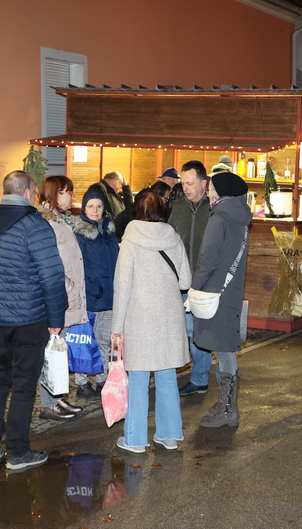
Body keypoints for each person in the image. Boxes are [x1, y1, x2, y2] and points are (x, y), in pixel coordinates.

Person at [0, 171, 66, 470]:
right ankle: (18, 452)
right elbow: (52, 276)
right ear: (27, 193)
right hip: (31, 317)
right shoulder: (35, 225)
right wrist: (56, 318)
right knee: (24, 384)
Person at [111, 192, 192, 453]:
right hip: (169, 318)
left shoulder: (130, 240)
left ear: (137, 211)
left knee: (138, 379)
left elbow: (122, 287)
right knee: (167, 376)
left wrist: (116, 327)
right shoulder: (173, 238)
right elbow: (185, 281)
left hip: (139, 318)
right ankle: (169, 435)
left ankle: (135, 440)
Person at [191, 172, 252, 427]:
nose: (208, 191)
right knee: (224, 348)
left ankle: (228, 410)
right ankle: (225, 404)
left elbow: (208, 258)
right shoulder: (238, 216)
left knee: (224, 352)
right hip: (230, 291)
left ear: (220, 191)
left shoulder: (219, 218)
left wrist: (194, 288)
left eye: (211, 187)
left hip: (215, 292)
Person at [37, 176, 88, 421]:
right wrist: (68, 287)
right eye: (68, 192)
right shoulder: (47, 223)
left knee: (58, 350)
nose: (71, 196)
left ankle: (56, 398)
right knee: (51, 352)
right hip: (59, 297)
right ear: (55, 194)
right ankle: (48, 404)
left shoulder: (60, 220)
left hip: (66, 296)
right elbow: (51, 265)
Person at [169, 161, 213, 396]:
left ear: (204, 183)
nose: (185, 187)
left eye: (190, 183)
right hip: (182, 282)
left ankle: (201, 377)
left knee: (200, 332)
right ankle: (199, 377)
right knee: (189, 331)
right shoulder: (178, 208)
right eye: (183, 183)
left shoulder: (215, 208)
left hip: (208, 283)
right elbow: (169, 239)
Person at [72, 185, 119, 400]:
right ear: (84, 208)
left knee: (104, 340)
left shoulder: (110, 232)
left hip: (109, 296)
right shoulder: (79, 235)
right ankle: (82, 383)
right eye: (91, 206)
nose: (95, 210)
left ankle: (102, 380)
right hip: (89, 297)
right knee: (83, 340)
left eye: (99, 206)